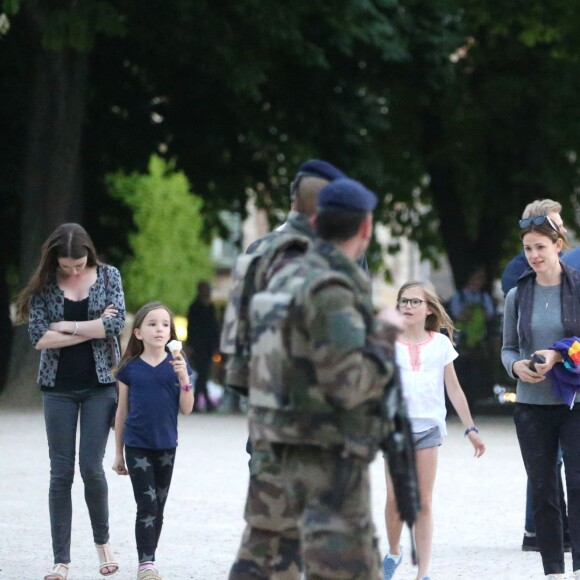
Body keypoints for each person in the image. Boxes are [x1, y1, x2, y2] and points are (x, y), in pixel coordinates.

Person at [229, 177, 403, 579]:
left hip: (276, 448)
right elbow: (348, 385)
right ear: (365, 228)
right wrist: (384, 335)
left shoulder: (283, 274)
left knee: (262, 560)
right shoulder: (331, 286)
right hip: (327, 457)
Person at [13, 223, 125, 580]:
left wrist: (65, 326)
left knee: (91, 468)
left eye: (78, 265)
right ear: (54, 261)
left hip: (101, 385)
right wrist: (91, 327)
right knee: (60, 472)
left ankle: (103, 544)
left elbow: (116, 324)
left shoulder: (109, 277)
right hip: (57, 388)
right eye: (66, 267)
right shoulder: (45, 285)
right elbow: (38, 338)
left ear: (89, 254)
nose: (73, 271)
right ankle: (60, 560)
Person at [382, 281, 486, 580]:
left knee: (424, 502)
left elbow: (453, 388)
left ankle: (423, 573)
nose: (407, 307)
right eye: (403, 301)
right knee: (395, 500)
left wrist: (471, 428)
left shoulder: (440, 344)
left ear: (429, 309)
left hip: (428, 428)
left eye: (415, 302)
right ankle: (394, 552)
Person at [501, 214, 580, 579]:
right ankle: (553, 571)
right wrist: (516, 367)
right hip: (531, 405)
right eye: (527, 248)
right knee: (544, 491)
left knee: (578, 485)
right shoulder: (518, 294)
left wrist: (558, 354)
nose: (534, 255)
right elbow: (508, 349)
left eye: (541, 247)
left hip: (574, 403)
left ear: (558, 245)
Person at [112, 302, 194, 580]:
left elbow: (187, 408)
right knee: (146, 505)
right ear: (138, 333)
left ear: (171, 332)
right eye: (152, 324)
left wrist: (184, 378)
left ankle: (149, 558)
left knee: (158, 506)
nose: (159, 329)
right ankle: (146, 564)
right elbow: (121, 411)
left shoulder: (178, 366)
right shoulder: (130, 369)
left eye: (164, 325)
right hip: (137, 445)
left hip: (167, 445)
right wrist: (118, 454)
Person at [186, 280, 220, 412]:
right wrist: (189, 345)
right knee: (203, 373)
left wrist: (216, 345)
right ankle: (204, 403)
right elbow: (191, 328)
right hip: (198, 346)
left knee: (204, 374)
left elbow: (214, 328)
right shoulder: (195, 307)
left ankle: (199, 402)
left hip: (209, 346)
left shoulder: (211, 307)